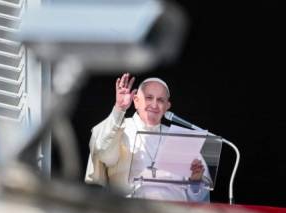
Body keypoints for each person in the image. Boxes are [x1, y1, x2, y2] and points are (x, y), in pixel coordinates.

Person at [85, 73, 210, 202]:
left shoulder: (180, 139)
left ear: (167, 107)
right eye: (149, 98)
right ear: (136, 100)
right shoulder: (118, 128)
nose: (154, 105)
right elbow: (103, 152)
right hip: (131, 212)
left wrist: (195, 183)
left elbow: (201, 197)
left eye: (160, 100)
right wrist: (119, 108)